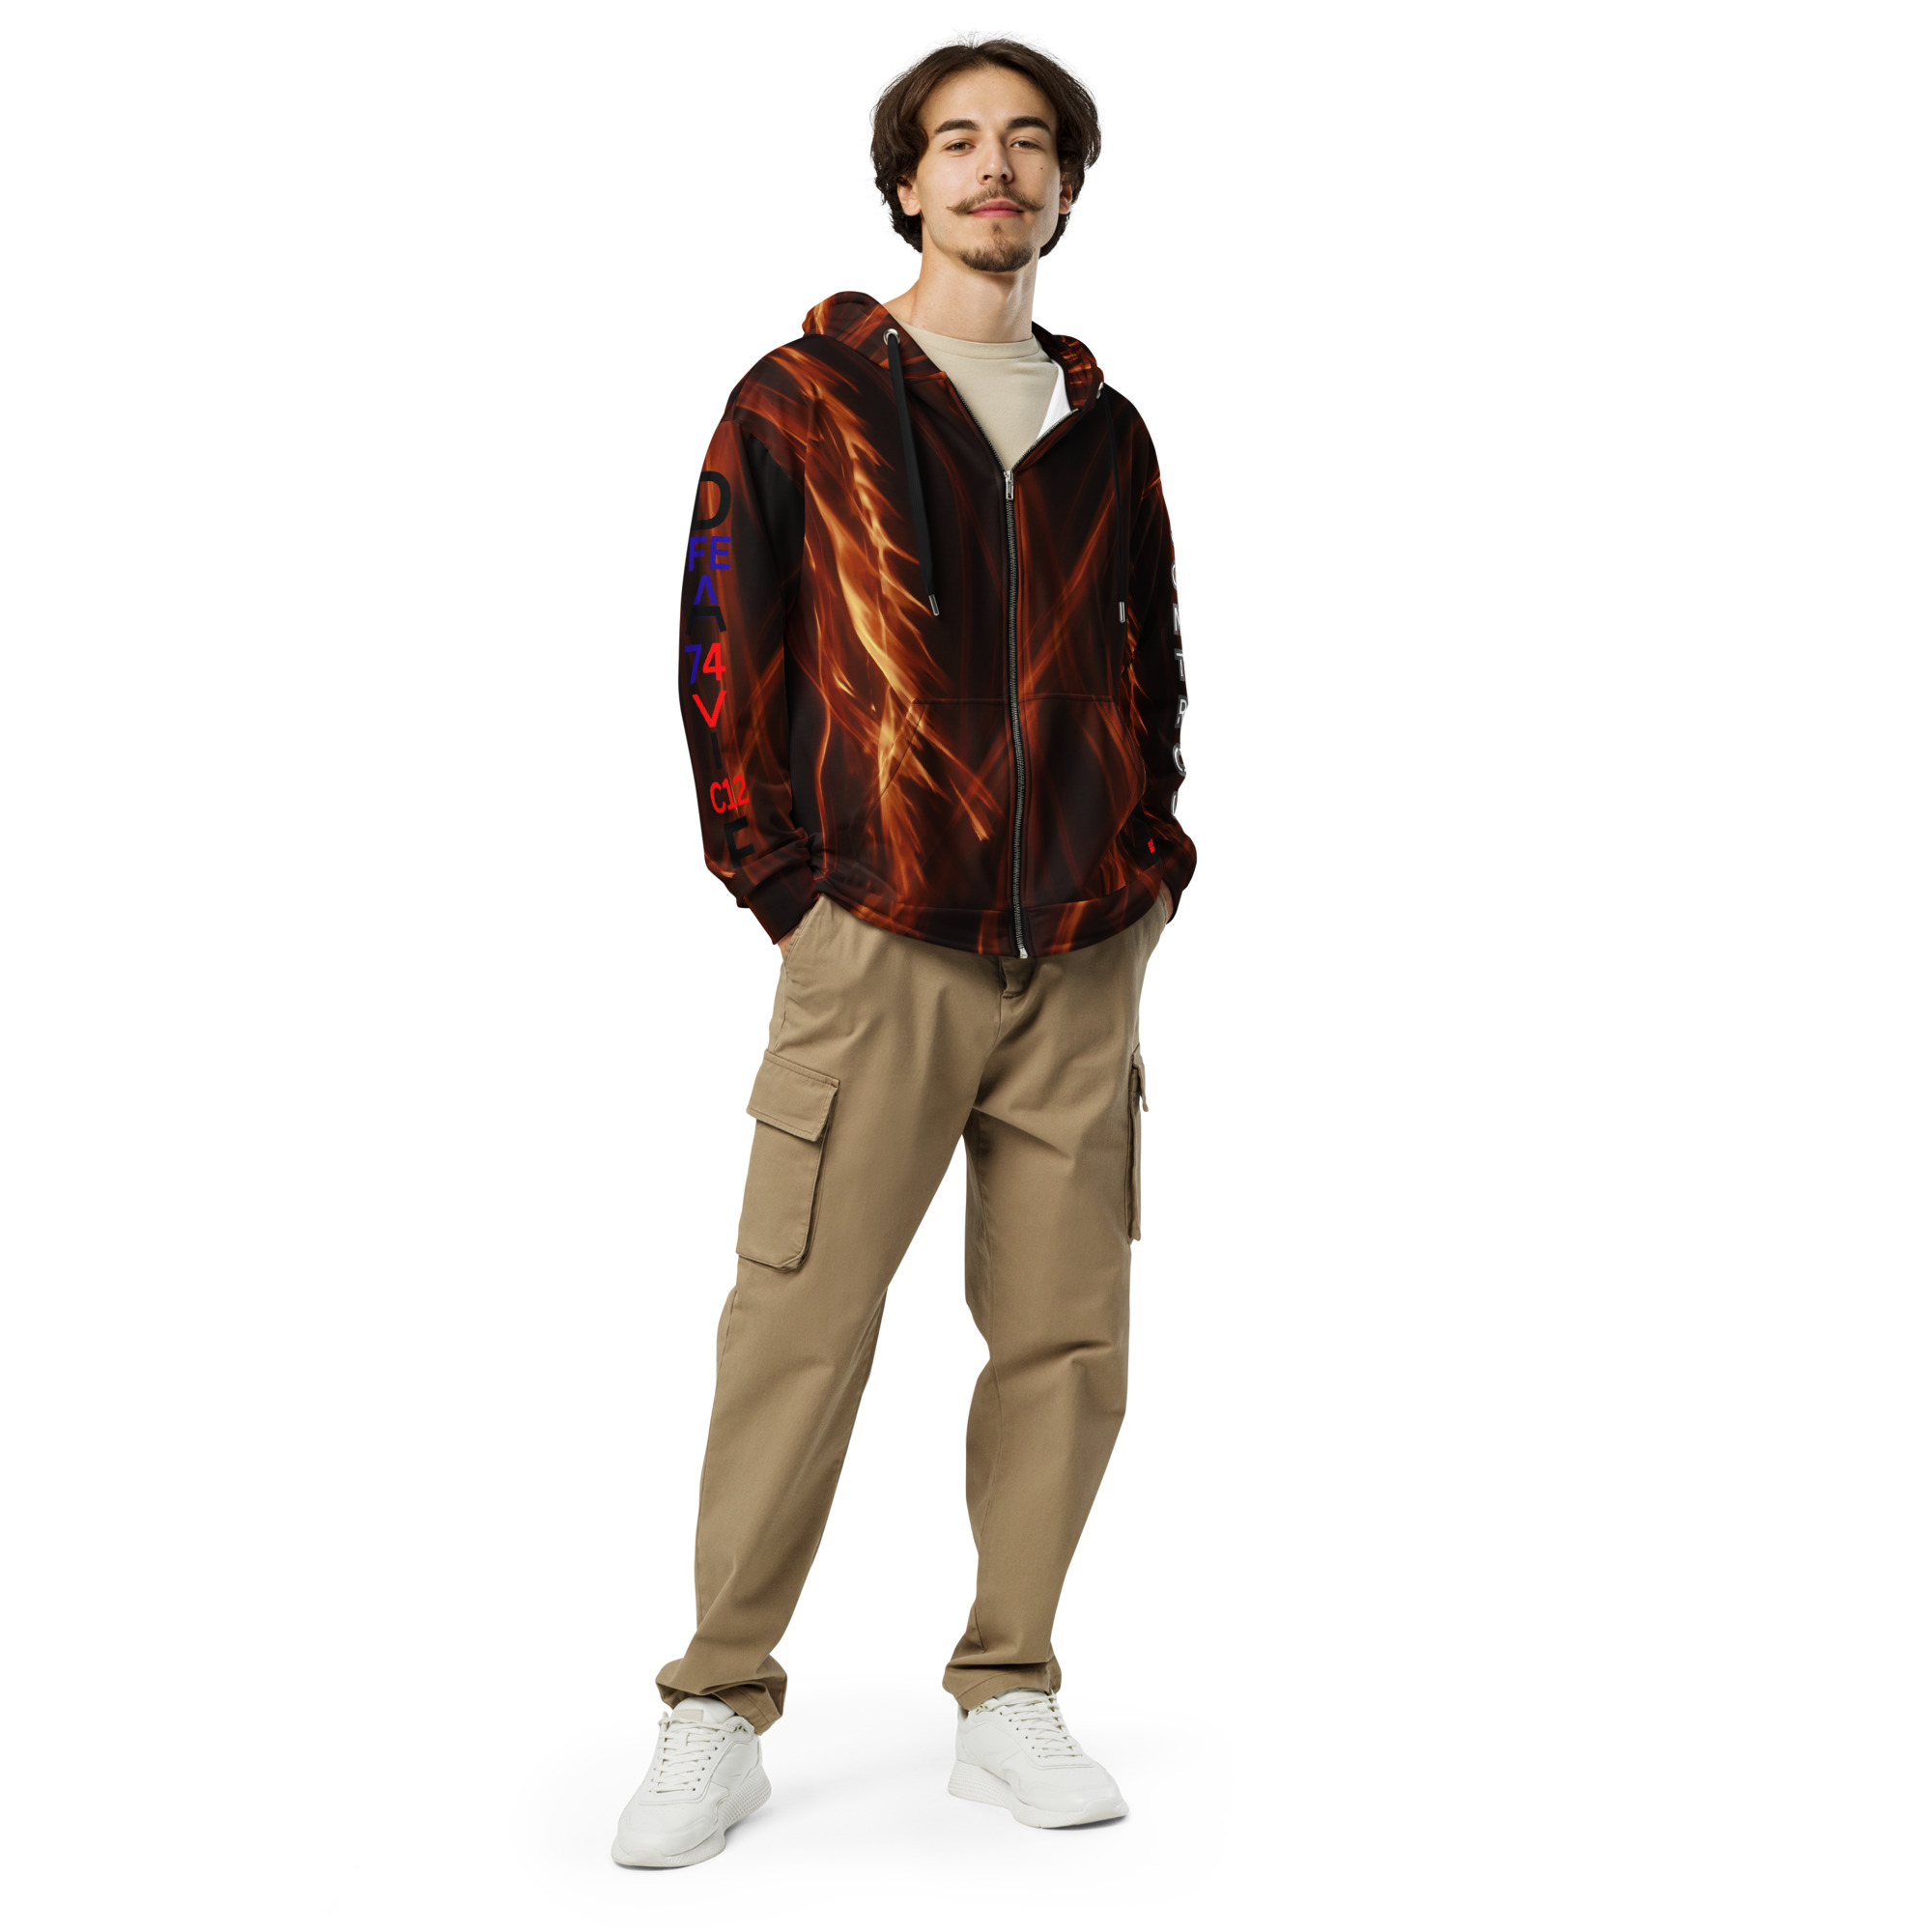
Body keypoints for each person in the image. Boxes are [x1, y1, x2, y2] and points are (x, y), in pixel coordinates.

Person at [614, 36, 1196, 1868]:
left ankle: (1007, 1685)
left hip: (1082, 949)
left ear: (1066, 187)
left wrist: (1149, 858)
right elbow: (721, 652)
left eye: (1028, 143)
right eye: (958, 142)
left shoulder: (1105, 428)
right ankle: (716, 1705)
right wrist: (790, 891)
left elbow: (1152, 658)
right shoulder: (803, 403)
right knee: (799, 1326)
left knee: (1066, 1336)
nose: (994, 170)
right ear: (906, 185)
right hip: (877, 941)